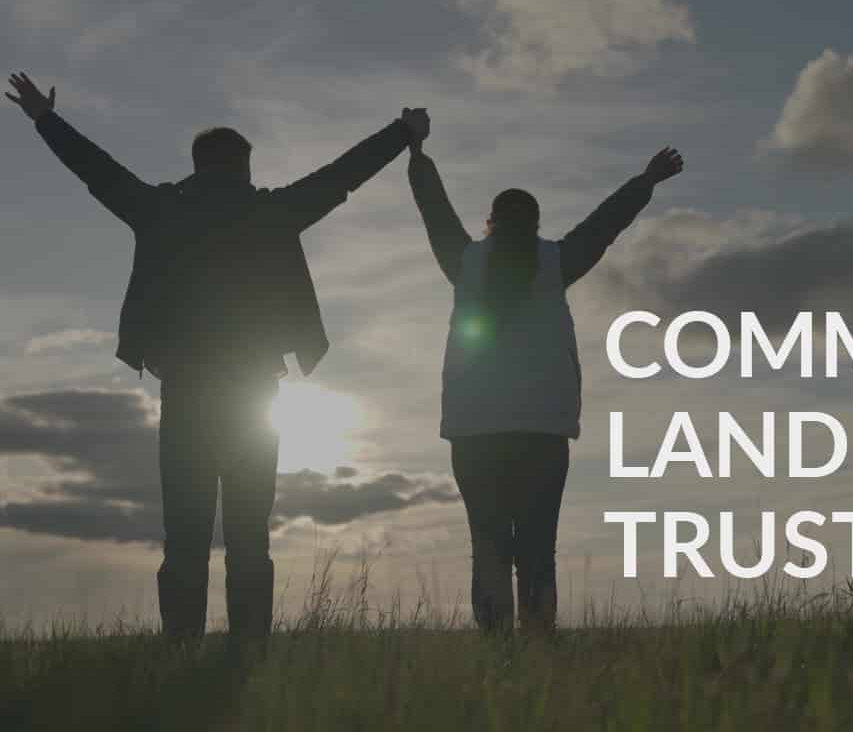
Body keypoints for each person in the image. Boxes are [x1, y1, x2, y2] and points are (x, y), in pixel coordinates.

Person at [5, 71, 429, 641]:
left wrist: (45, 120)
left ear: (198, 164)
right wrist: (401, 134)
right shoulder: (269, 211)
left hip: (185, 395)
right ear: (243, 167)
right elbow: (341, 178)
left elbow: (96, 171)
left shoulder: (160, 209)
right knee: (249, 537)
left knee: (184, 537)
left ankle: (181, 652)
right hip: (255, 395)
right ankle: (248, 654)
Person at [403, 108, 684, 634]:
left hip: (475, 432)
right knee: (537, 549)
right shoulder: (555, 263)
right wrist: (646, 181)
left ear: (491, 221)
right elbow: (604, 225)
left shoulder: (465, 264)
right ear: (534, 224)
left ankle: (496, 657)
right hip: (542, 432)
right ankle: (536, 654)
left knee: (487, 547)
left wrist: (417, 154)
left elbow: (435, 212)